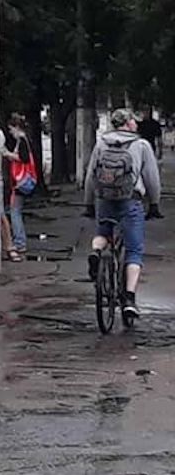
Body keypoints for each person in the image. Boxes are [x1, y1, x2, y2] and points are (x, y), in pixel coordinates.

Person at [84, 109, 163, 321]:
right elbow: (152, 178)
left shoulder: (101, 143)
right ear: (128, 124)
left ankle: (96, 252)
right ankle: (129, 299)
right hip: (131, 201)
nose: (136, 124)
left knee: (103, 232)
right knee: (134, 251)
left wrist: (88, 203)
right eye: (133, 121)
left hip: (104, 199)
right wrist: (154, 204)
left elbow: (91, 175)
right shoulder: (141, 145)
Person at [0, 114, 37, 263]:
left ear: (17, 127)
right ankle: (19, 241)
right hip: (22, 181)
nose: (10, 132)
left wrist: (7, 154)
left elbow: (23, 158)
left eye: (11, 129)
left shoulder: (22, 140)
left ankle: (19, 242)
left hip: (20, 182)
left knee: (15, 212)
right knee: (15, 210)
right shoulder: (25, 140)